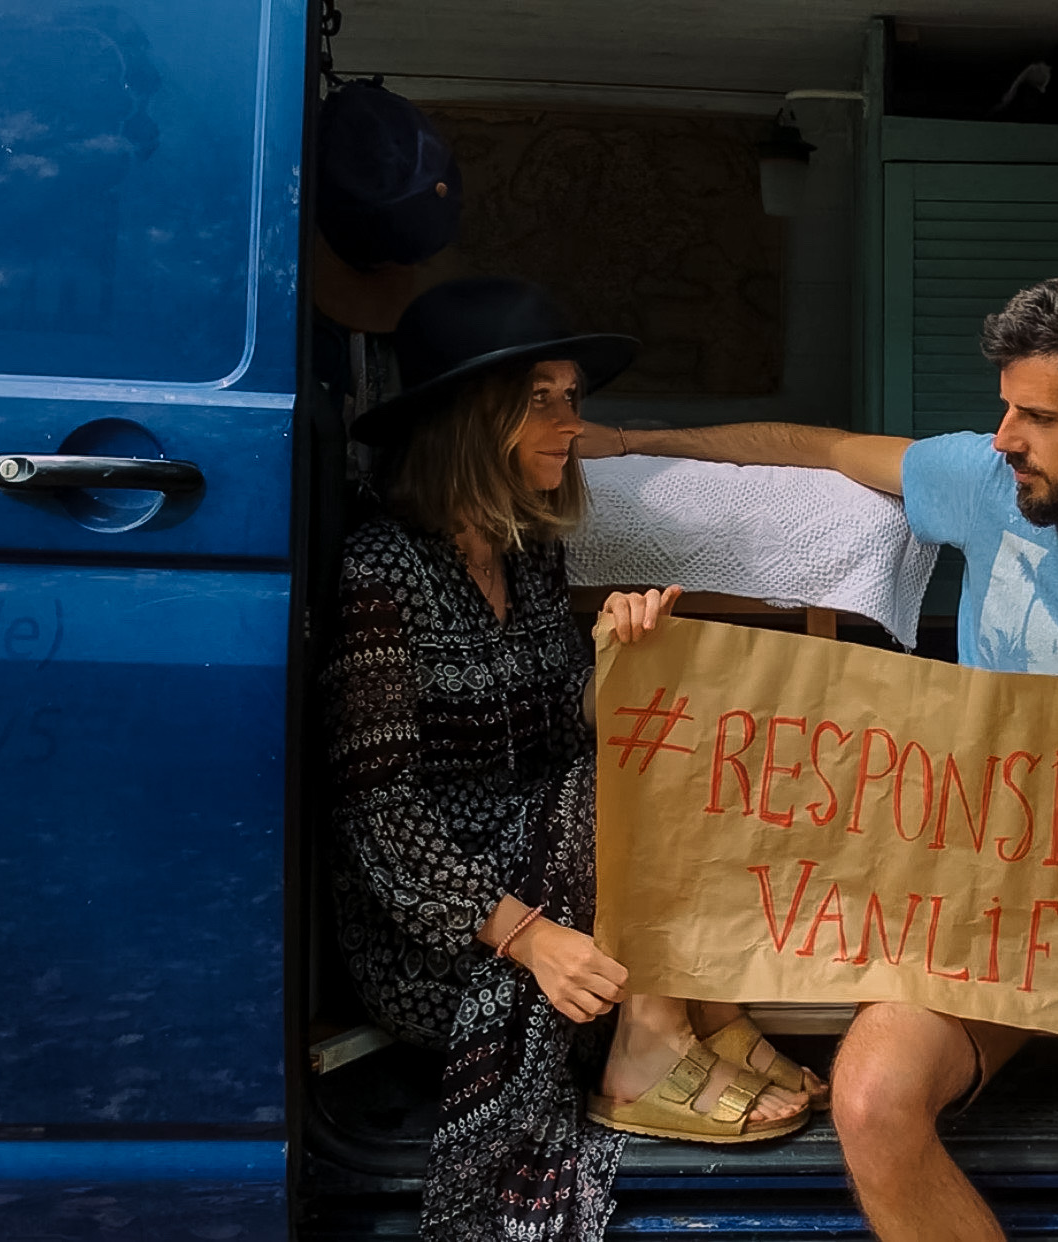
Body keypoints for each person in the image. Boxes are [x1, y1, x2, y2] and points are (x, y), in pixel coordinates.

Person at [578, 269, 1058, 1241]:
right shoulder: (988, 483)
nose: (1005, 441)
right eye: (1004, 413)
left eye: (1036, 418)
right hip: (979, 927)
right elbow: (808, 449)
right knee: (871, 1100)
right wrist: (628, 444)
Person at [323, 277, 824, 1242]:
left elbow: (569, 743)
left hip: (545, 858)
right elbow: (379, 822)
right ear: (474, 419)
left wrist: (618, 663)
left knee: (672, 743)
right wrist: (529, 939)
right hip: (442, 932)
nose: (570, 424)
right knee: (634, 781)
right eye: (540, 400)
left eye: (571, 398)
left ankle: (706, 1018)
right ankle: (644, 1052)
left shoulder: (528, 555)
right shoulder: (384, 570)